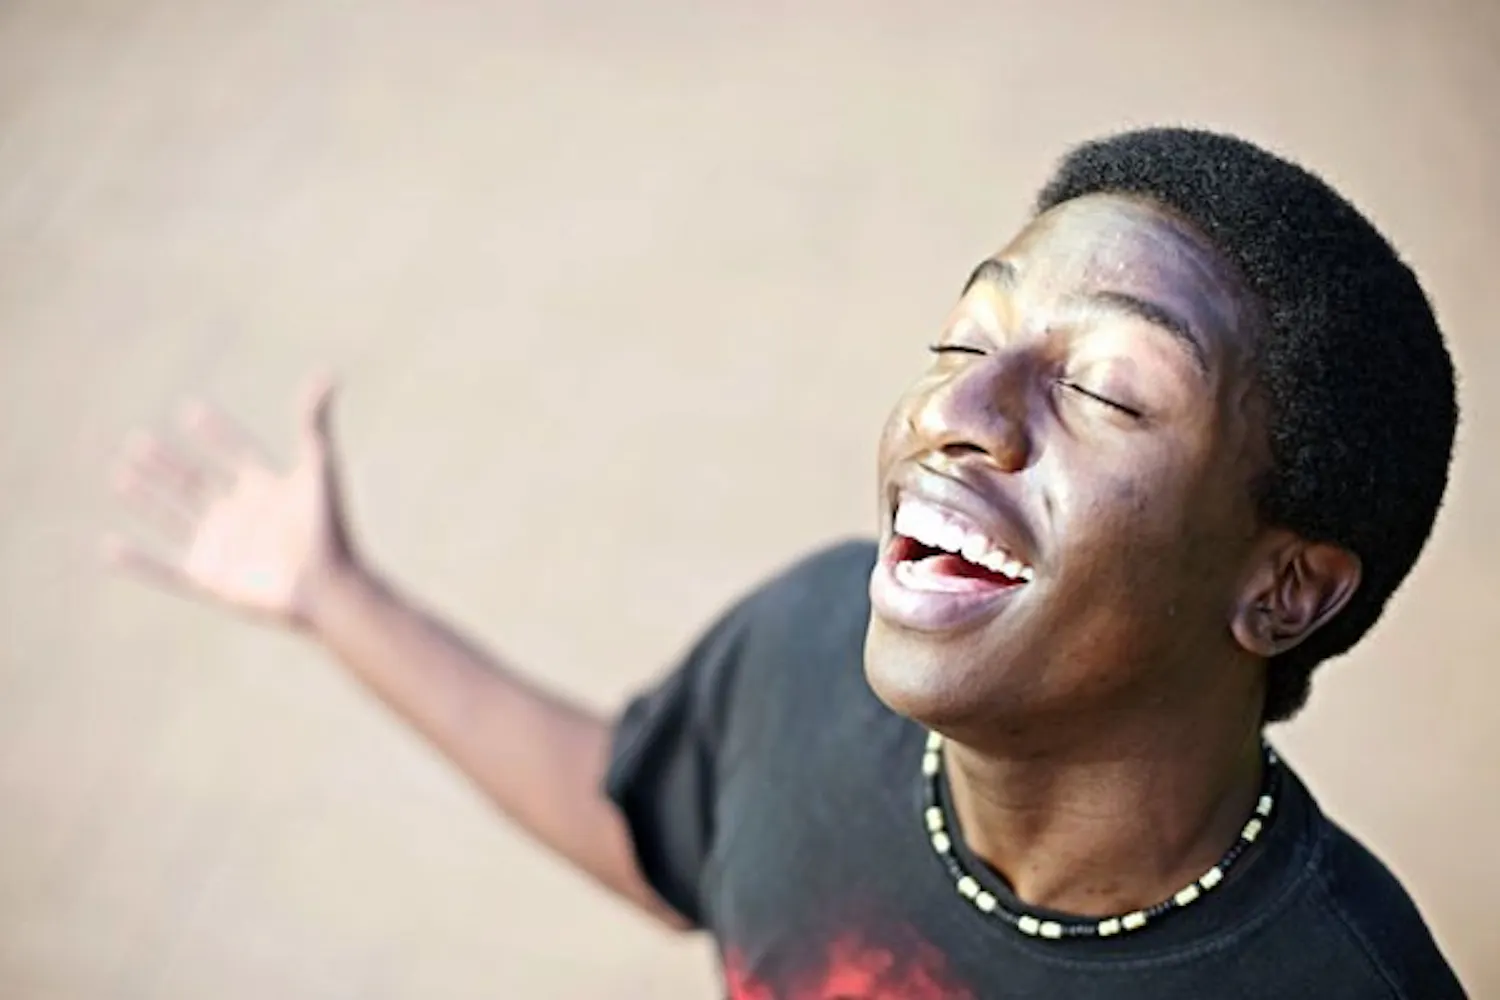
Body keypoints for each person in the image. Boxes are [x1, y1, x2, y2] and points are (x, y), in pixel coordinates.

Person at [106, 127, 1467, 999]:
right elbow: (663, 820)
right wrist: (337, 601)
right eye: (963, 341)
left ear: (1283, 588)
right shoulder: (810, 655)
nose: (958, 411)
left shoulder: (1340, 981)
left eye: (1108, 391)